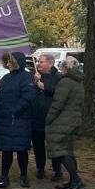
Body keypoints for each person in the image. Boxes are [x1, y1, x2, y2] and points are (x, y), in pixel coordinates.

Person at [0, 51, 36, 188]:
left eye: (11, 61)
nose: (8, 64)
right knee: (6, 150)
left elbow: (28, 97)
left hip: (19, 120)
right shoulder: (5, 78)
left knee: (21, 150)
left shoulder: (26, 77)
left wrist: (15, 111)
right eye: (7, 61)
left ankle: (24, 176)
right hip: (5, 119)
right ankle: (4, 176)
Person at [45, 56, 85, 189]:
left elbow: (57, 104)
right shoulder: (78, 82)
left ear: (65, 68)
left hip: (63, 121)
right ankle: (73, 180)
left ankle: (76, 179)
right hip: (73, 120)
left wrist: (48, 119)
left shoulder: (65, 82)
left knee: (61, 152)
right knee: (68, 150)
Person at [31, 53, 62, 181]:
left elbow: (60, 93)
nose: (39, 64)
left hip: (52, 118)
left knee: (54, 145)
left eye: (42, 62)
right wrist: (35, 82)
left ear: (50, 63)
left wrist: (45, 87)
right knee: (38, 145)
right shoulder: (36, 76)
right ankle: (40, 168)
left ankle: (57, 170)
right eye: (38, 61)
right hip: (37, 117)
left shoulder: (58, 77)